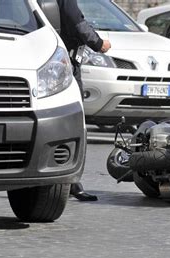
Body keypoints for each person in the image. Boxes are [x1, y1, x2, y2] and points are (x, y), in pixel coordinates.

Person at [57, 0, 111, 201]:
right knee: (74, 124)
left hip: (59, 64)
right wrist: (99, 43)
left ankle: (68, 180)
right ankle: (70, 181)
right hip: (66, 67)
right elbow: (77, 23)